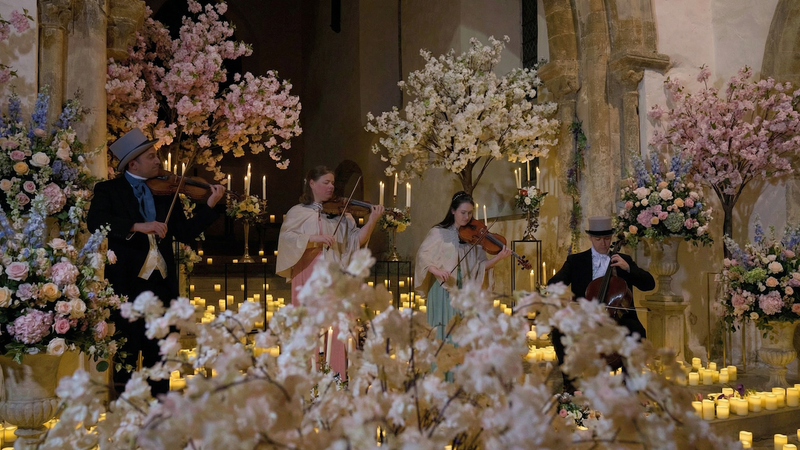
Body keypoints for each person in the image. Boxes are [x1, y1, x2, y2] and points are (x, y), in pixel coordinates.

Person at [87, 128, 225, 396]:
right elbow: (96, 222)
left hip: (162, 284)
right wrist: (138, 226)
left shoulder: (165, 193)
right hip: (127, 285)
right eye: (151, 156)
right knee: (126, 354)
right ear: (133, 163)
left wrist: (209, 204)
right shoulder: (108, 190)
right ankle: (123, 414)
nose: (158, 161)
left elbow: (184, 232)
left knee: (161, 355)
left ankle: (161, 416)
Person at [275, 166, 384, 375]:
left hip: (335, 275)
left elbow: (356, 241)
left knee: (337, 324)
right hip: (309, 274)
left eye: (332, 182)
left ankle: (337, 374)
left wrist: (372, 221)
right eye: (326, 182)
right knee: (311, 324)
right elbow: (287, 240)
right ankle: (310, 377)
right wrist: (312, 239)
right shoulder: (298, 212)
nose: (331, 186)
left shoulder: (342, 214)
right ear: (312, 184)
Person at [547, 216, 655, 393]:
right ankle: (571, 385)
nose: (604, 244)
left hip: (619, 318)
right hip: (585, 318)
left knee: (637, 331)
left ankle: (630, 386)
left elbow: (649, 284)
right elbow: (553, 284)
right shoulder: (576, 261)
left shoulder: (623, 260)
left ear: (612, 238)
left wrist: (629, 268)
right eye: (598, 239)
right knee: (559, 332)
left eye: (607, 239)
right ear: (590, 238)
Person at [415, 191, 512, 341]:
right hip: (443, 288)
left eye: (470, 213)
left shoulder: (475, 236)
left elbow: (481, 266)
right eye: (463, 212)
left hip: (466, 288)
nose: (466, 217)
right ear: (453, 211)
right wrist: (436, 270)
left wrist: (499, 258)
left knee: (462, 334)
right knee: (444, 331)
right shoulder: (438, 232)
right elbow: (423, 256)